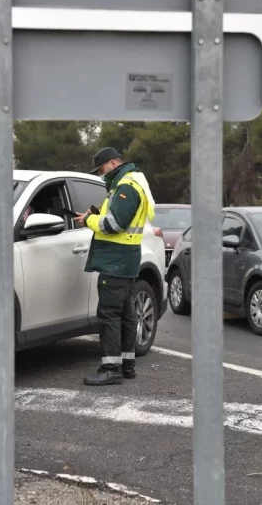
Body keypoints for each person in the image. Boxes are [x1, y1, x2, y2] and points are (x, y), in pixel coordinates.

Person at [74, 147, 155, 386]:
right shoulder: (131, 182)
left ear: (112, 163)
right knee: (126, 315)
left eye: (101, 168)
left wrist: (89, 220)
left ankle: (111, 368)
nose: (101, 174)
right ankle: (127, 365)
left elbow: (115, 224)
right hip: (126, 260)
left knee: (109, 315)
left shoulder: (126, 187)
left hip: (115, 262)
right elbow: (117, 217)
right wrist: (96, 213)